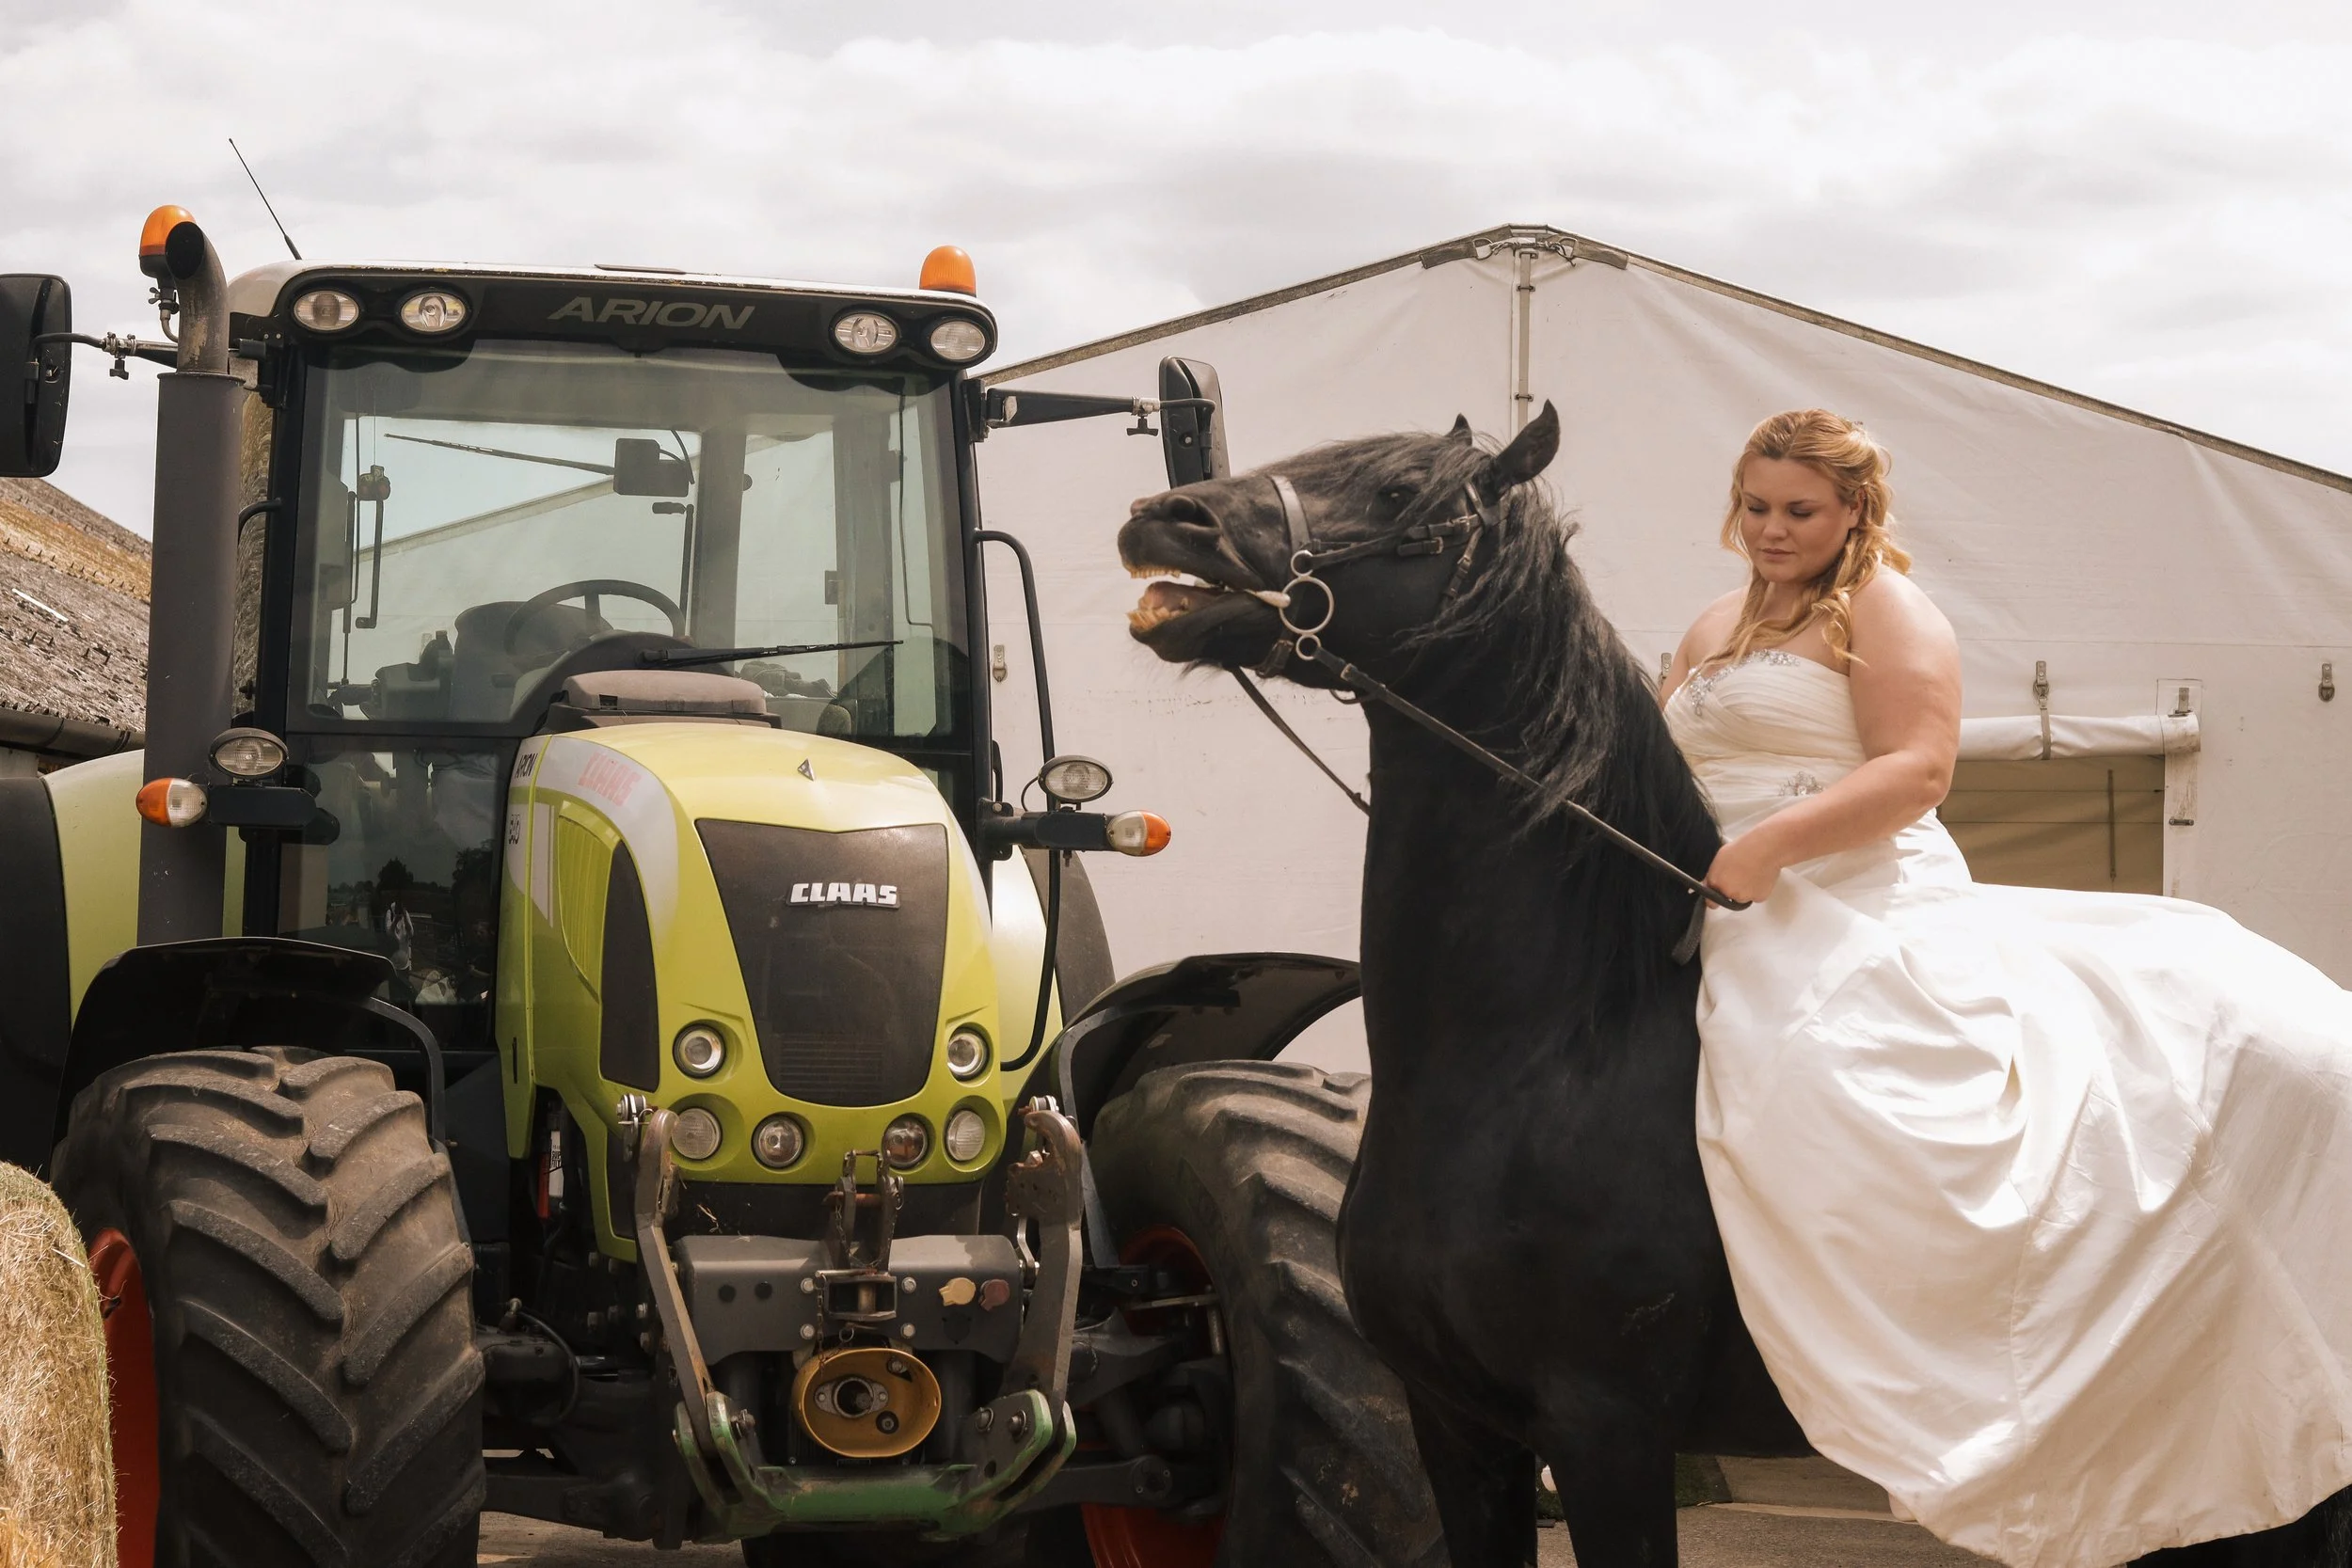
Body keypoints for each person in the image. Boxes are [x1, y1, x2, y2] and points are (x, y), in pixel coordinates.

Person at [1660, 409, 2352, 1568]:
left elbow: (1915, 769)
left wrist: (1769, 849)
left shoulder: (1883, 606)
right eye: (1757, 504)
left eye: (1799, 510)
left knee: (1837, 1080)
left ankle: (1968, 1363)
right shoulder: (1711, 622)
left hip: (1845, 886)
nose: (1772, 530)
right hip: (1707, 891)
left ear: (1849, 513)